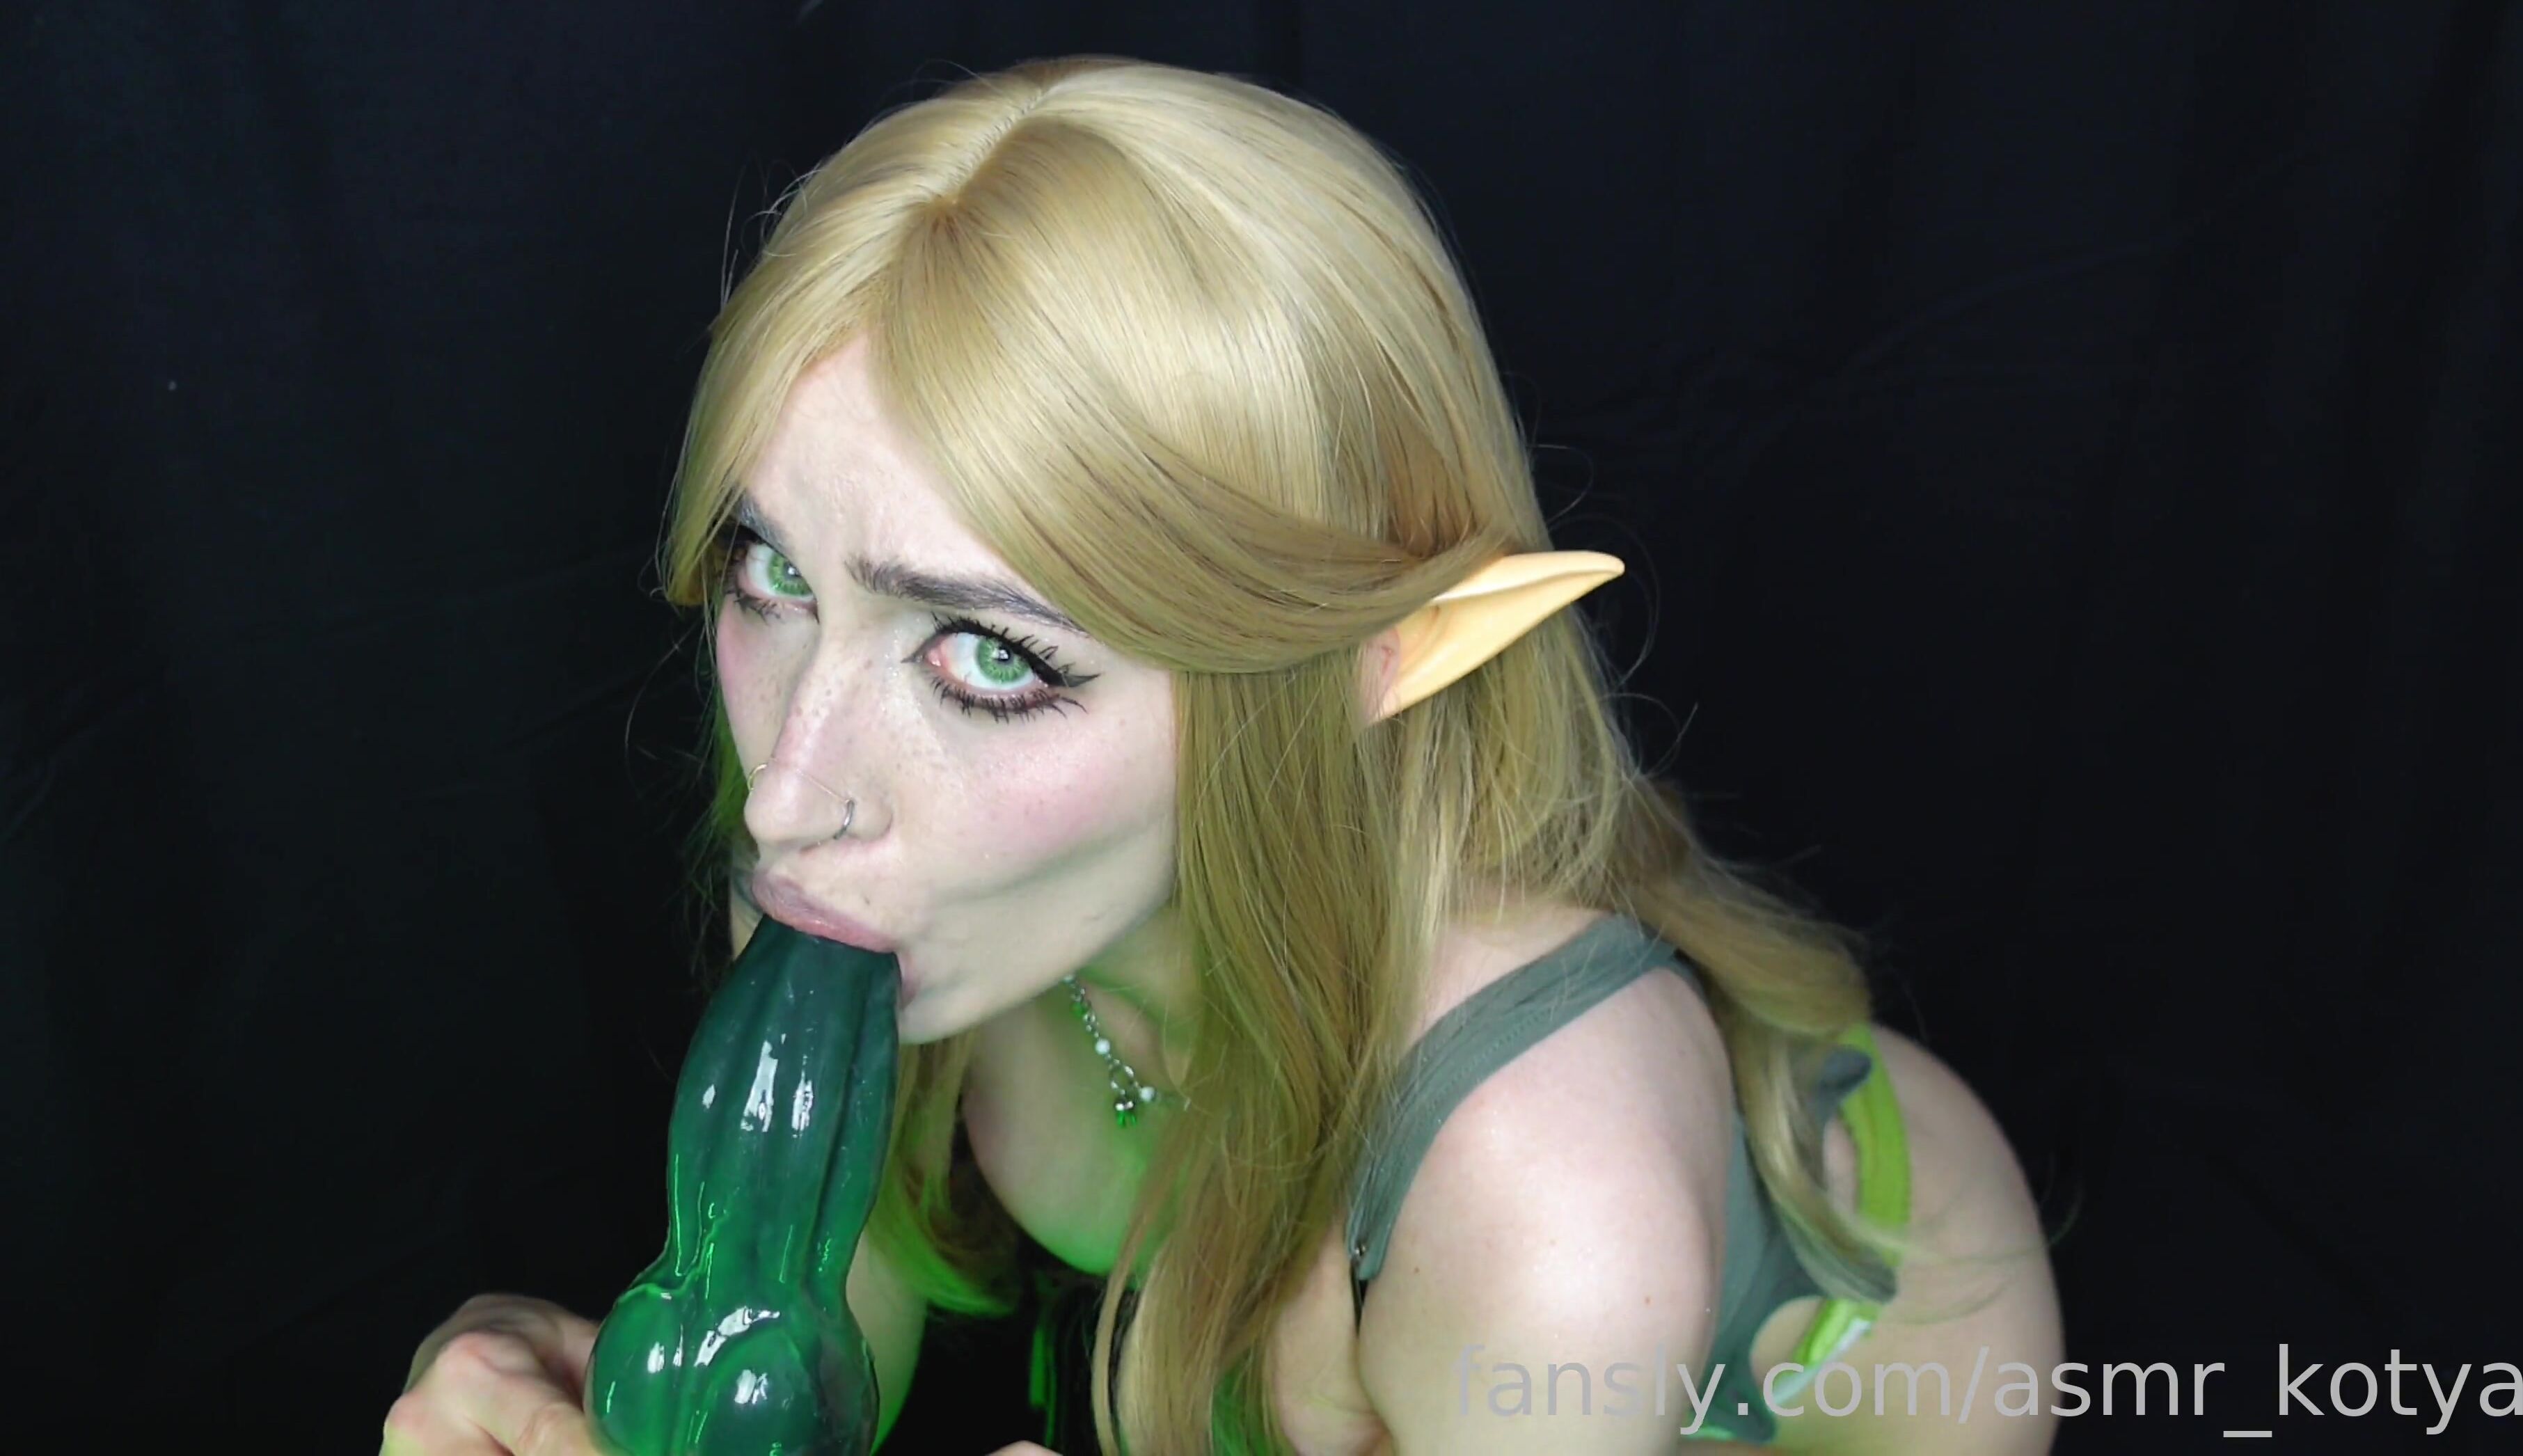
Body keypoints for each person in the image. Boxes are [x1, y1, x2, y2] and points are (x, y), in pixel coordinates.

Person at [383, 54, 2062, 1456]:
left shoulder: (1545, 1192)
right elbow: (811, 1373)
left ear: (1369, 662)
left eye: (988, 657)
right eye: (772, 573)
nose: (789, 793)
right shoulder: (872, 903)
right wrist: (584, 1399)